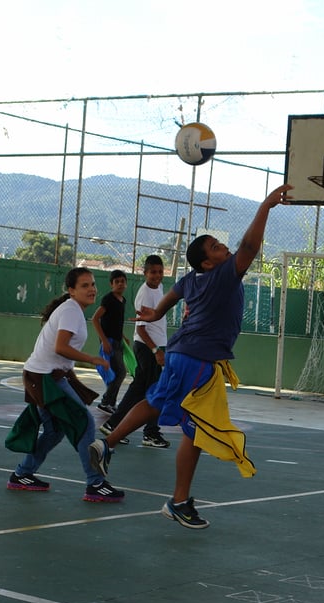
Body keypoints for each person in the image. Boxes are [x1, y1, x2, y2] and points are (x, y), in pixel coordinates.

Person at [89, 184, 293, 529]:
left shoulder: (192, 279)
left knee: (158, 403)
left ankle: (107, 445)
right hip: (198, 361)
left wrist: (155, 315)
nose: (223, 247)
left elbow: (172, 295)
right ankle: (177, 500)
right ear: (207, 262)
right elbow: (250, 246)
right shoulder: (223, 276)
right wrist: (266, 206)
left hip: (182, 354)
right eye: (215, 247)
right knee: (193, 428)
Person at [8, 267, 125, 503]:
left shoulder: (73, 310)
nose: (92, 289)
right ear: (71, 290)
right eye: (84, 285)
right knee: (84, 422)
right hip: (43, 377)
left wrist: (70, 376)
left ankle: (22, 474)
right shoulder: (71, 311)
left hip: (44, 375)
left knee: (55, 430)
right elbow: (60, 347)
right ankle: (95, 484)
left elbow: (59, 353)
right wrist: (92, 359)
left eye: (92, 284)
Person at [100, 255, 170, 449]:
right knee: (156, 391)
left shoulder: (160, 288)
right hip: (147, 347)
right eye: (153, 272)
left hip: (155, 346)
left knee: (139, 389)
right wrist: (156, 350)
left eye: (160, 272)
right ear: (145, 272)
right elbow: (141, 329)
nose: (157, 276)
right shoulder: (145, 293)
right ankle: (150, 433)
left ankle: (112, 425)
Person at [91, 269, 129, 413]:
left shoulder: (122, 300)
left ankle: (110, 402)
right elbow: (95, 319)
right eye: (117, 282)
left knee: (117, 372)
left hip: (118, 341)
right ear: (111, 284)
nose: (120, 284)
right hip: (110, 342)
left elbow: (115, 322)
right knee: (120, 372)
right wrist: (105, 341)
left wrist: (123, 336)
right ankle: (106, 402)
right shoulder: (109, 299)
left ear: (126, 284)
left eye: (122, 281)